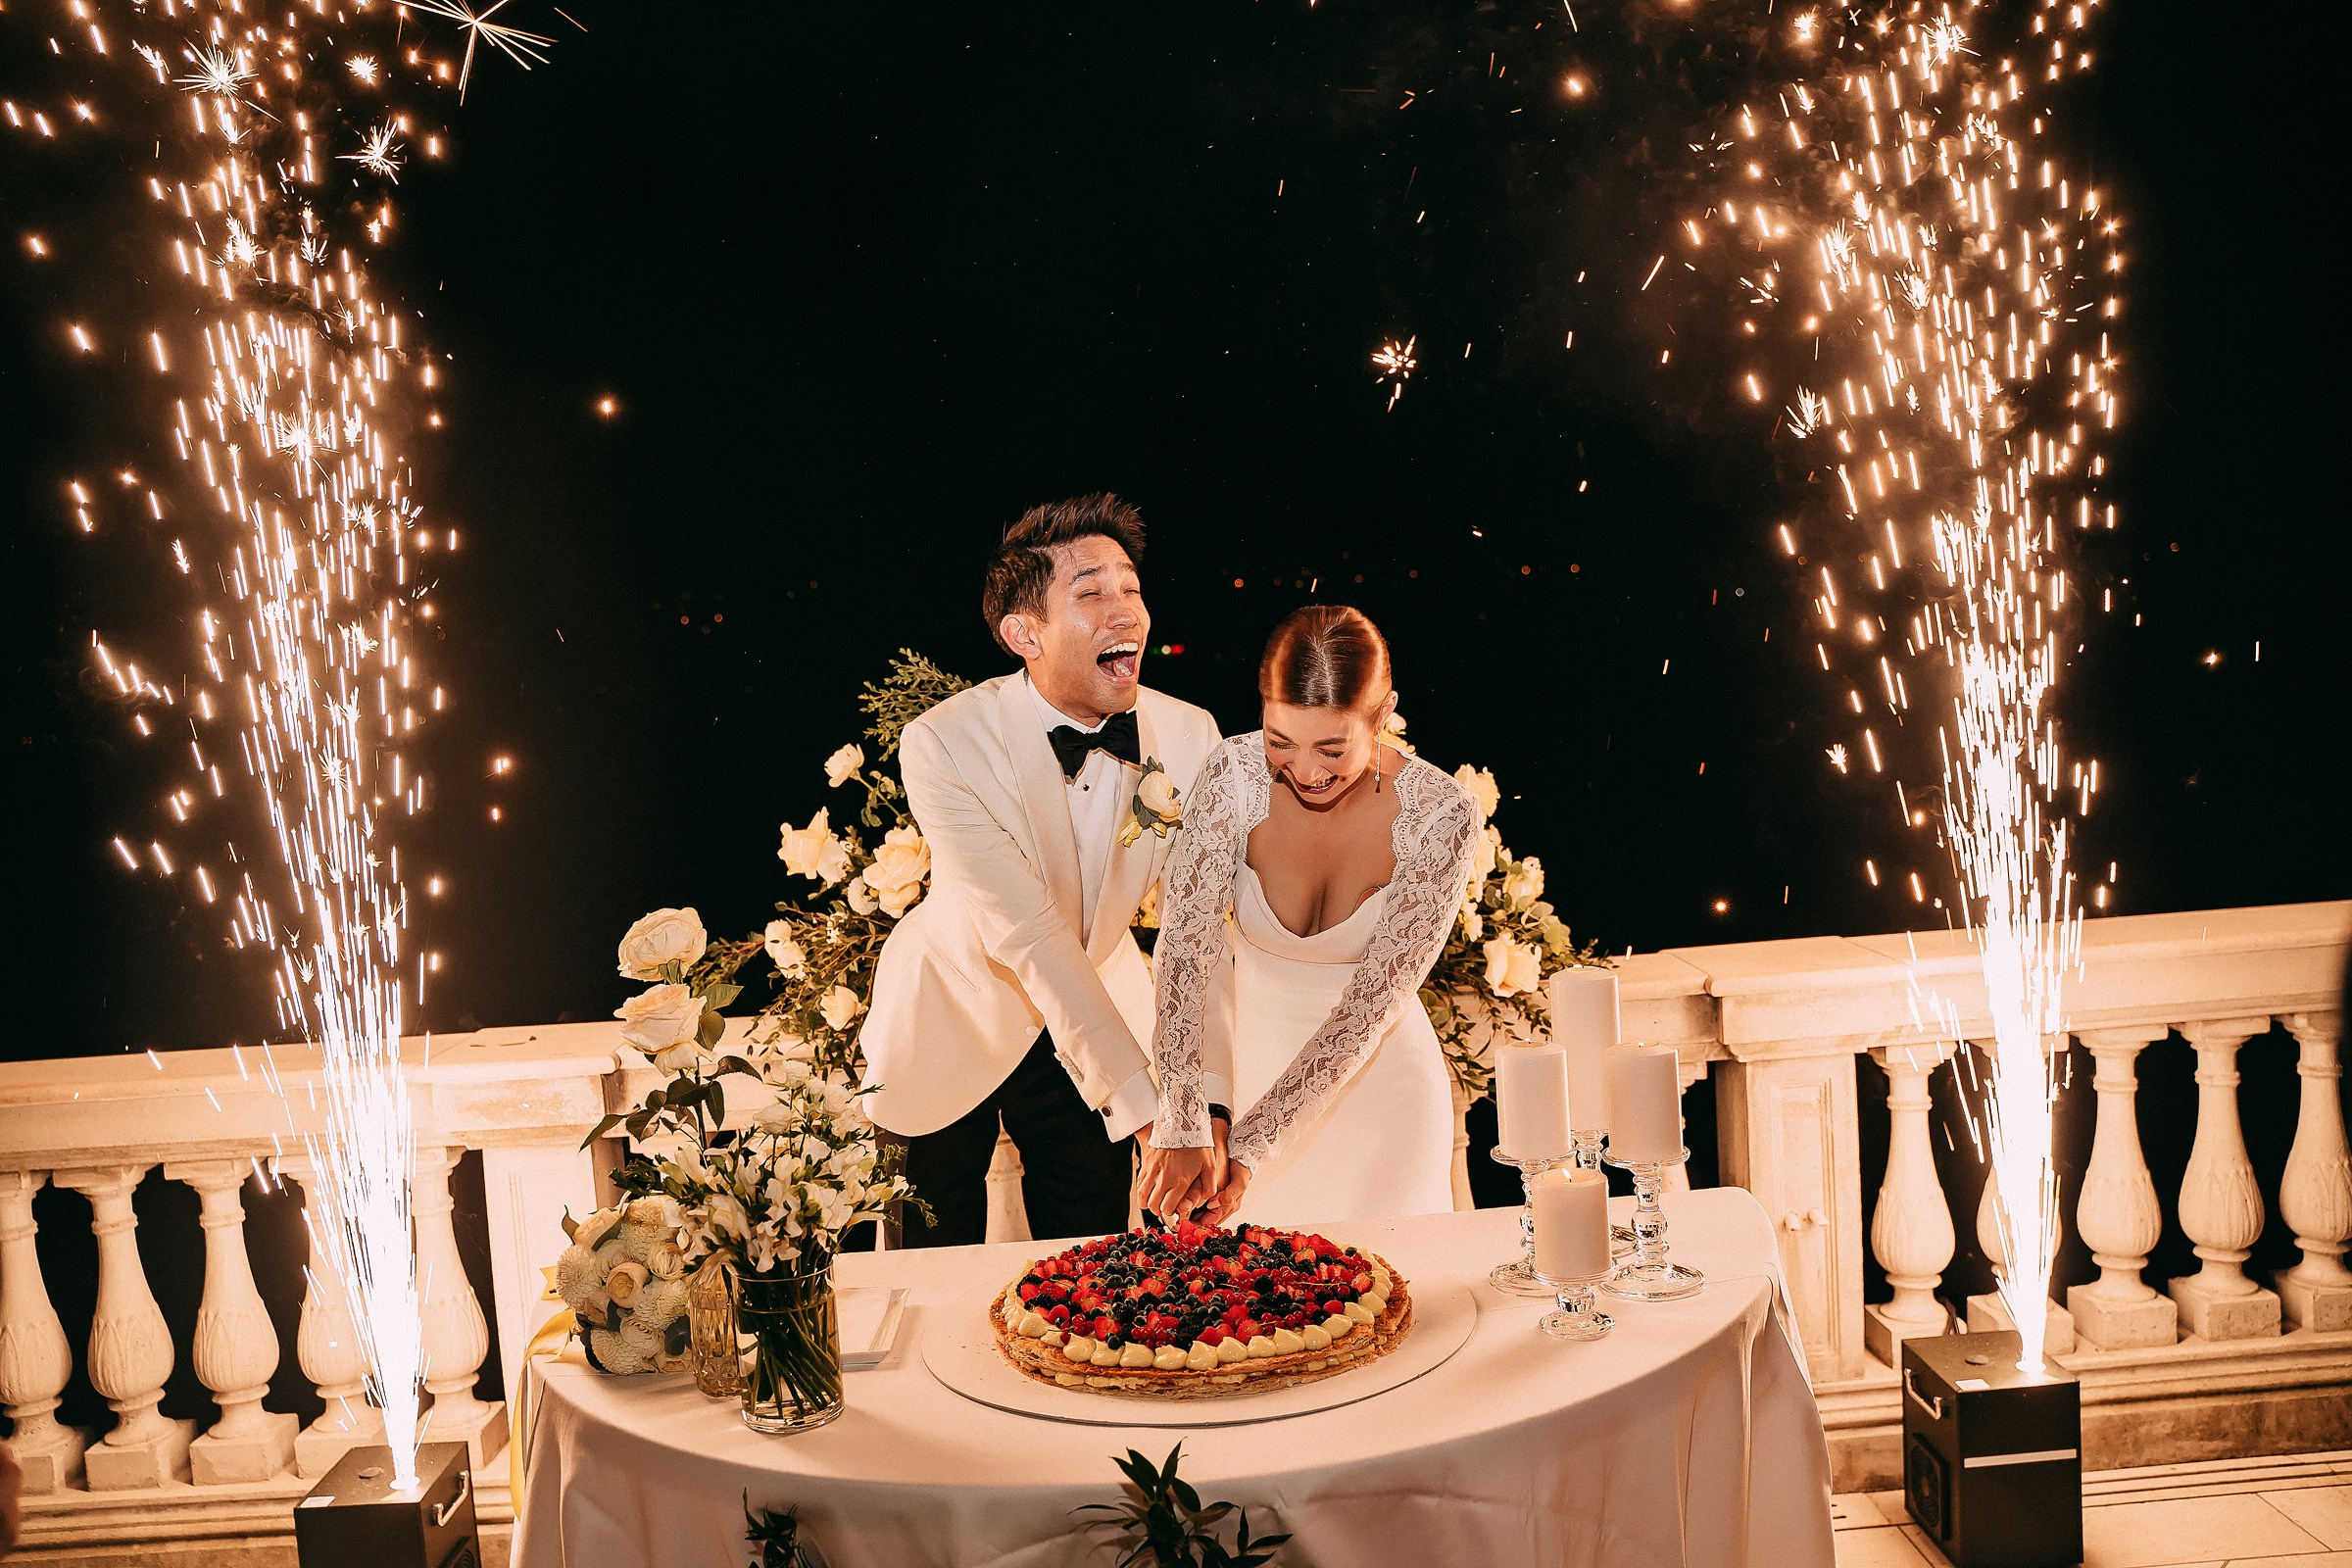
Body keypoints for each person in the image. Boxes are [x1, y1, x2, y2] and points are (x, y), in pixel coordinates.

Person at [859, 494, 1222, 1245]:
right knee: (924, 1264)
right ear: (1023, 633)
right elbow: (1027, 931)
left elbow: (1196, 936)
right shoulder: (942, 743)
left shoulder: (1189, 735)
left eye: (1131, 587)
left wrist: (1194, 1102)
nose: (1125, 611)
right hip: (949, 1011)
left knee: (1092, 1258)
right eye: (1090, 593)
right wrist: (1150, 1113)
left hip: (1092, 1026)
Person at [1141, 605, 1477, 1226]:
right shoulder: (1230, 775)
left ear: (1382, 715)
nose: (1304, 771)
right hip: (1245, 1070)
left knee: (1390, 1306)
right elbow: (1187, 950)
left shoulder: (1443, 814)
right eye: (1279, 741)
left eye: (1331, 747)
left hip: (1382, 1094)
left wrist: (1254, 1146)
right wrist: (1188, 1115)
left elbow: (1369, 1007)